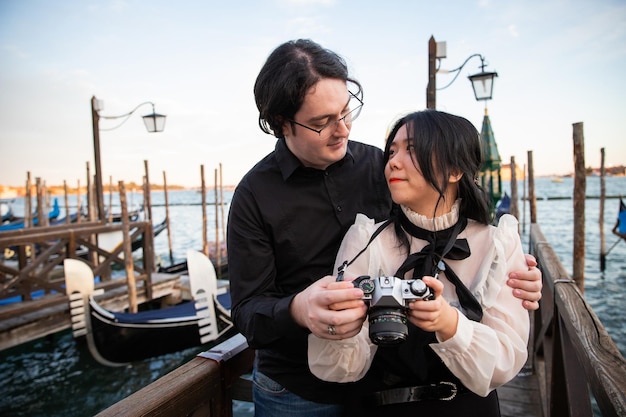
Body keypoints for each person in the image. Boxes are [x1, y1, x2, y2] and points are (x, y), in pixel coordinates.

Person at [227, 39, 542, 417]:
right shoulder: (252, 195)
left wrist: (506, 269)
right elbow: (247, 312)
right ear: (281, 123)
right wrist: (298, 310)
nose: (341, 129)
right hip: (298, 390)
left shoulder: (381, 166)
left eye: (346, 112)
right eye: (321, 122)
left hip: (387, 379)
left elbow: (439, 217)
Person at [308, 109, 530, 416]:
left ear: (455, 169)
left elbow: (506, 360)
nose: (393, 162)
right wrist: (342, 323)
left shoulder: (497, 243)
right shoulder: (365, 240)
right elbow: (342, 368)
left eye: (411, 149)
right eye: (392, 151)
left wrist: (449, 324)